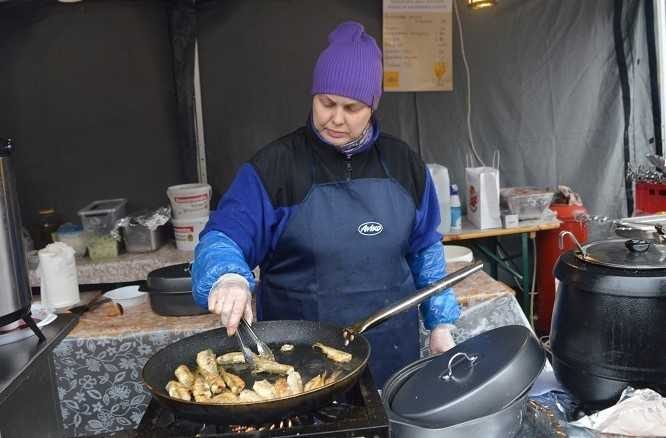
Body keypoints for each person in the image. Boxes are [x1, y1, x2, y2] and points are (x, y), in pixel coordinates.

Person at [192, 21, 461, 387]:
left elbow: (425, 249)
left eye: (352, 107)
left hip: (392, 354)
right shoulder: (276, 166)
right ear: (313, 95)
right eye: (326, 102)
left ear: (373, 105)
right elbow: (223, 235)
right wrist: (227, 276)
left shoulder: (403, 164)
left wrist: (440, 323)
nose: (336, 118)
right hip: (297, 364)